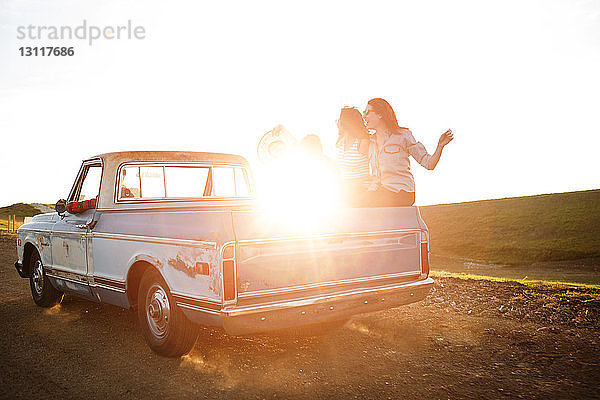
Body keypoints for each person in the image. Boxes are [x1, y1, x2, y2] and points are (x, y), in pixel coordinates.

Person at [364, 98, 454, 206]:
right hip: (378, 191)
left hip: (401, 192)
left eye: (368, 112)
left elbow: (429, 164)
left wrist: (440, 146)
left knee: (367, 200)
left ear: (380, 114)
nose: (364, 116)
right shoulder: (369, 141)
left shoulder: (403, 136)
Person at [335, 107, 371, 207]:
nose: (337, 123)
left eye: (340, 120)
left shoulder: (362, 142)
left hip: (360, 191)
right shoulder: (340, 142)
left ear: (345, 123)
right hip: (346, 191)